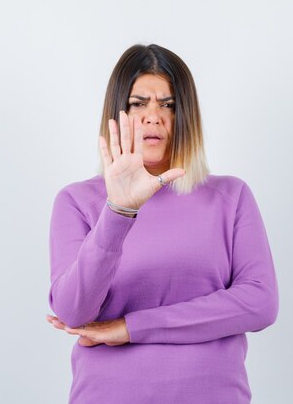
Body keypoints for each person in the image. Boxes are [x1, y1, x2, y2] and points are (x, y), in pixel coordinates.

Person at [45, 43, 279, 403]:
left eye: (168, 105)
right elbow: (74, 310)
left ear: (186, 116)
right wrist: (119, 211)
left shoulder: (230, 196)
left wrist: (131, 327)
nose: (153, 117)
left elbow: (259, 303)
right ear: (118, 113)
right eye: (139, 104)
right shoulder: (77, 202)